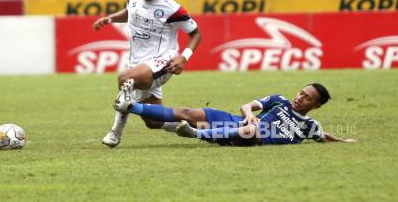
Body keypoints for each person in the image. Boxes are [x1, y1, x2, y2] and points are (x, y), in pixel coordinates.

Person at [93, 0, 202, 147]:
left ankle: (115, 132)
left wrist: (184, 57)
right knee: (154, 121)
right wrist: (111, 18)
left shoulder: (172, 8)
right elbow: (131, 11)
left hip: (164, 62)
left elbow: (195, 33)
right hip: (138, 63)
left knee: (125, 79)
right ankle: (199, 128)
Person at [113, 82, 357, 146]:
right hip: (236, 122)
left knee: (253, 131)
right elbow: (246, 106)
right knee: (187, 111)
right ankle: (130, 106)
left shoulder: (310, 125)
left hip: (250, 138)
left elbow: (323, 136)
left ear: (316, 105)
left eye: (307, 98)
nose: (300, 97)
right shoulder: (279, 100)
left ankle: (196, 134)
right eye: (301, 92)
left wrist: (344, 140)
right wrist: (250, 113)